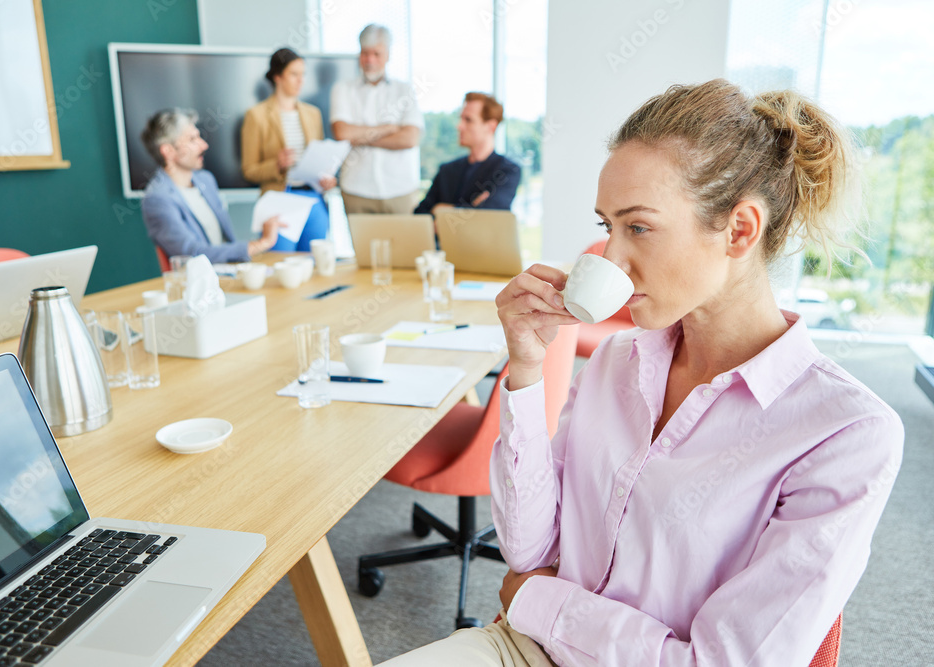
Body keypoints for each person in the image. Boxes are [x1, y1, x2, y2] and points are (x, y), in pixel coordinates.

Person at [379, 79, 904, 666]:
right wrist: (526, 368)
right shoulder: (614, 361)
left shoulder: (845, 432)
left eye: (639, 227)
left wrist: (541, 603)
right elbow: (528, 548)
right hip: (524, 648)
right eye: (608, 227)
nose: (609, 259)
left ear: (739, 230)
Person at [141, 108, 282, 263]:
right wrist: (263, 243)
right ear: (168, 151)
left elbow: (225, 241)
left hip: (232, 271)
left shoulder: (205, 180)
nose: (204, 145)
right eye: (192, 139)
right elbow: (192, 253)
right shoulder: (157, 198)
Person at [241, 47, 336, 252]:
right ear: (277, 77)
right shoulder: (256, 116)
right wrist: (276, 164)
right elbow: (249, 170)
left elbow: (318, 159)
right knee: (280, 267)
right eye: (294, 74)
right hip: (280, 200)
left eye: (302, 75)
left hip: (314, 200)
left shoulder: (313, 114)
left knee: (314, 265)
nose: (300, 80)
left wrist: (326, 177)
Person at [330, 24, 424, 215]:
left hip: (401, 190)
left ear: (388, 55)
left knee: (405, 245)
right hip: (356, 189)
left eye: (376, 53)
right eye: (365, 53)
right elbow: (342, 133)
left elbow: (409, 139)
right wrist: (389, 128)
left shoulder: (404, 90)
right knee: (364, 246)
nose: (369, 60)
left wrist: (361, 136)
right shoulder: (343, 89)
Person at [414, 92, 521, 216]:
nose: (459, 126)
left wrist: (440, 209)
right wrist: (472, 208)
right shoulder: (447, 170)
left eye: (468, 120)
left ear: (491, 126)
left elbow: (488, 216)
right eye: (461, 118)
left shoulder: (507, 171)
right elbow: (420, 214)